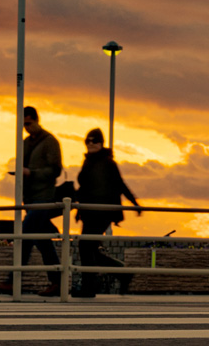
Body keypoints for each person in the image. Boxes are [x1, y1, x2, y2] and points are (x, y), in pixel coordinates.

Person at [73, 128, 140, 298]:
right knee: (90, 248)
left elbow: (120, 184)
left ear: (101, 143)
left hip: (102, 213)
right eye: (88, 141)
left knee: (86, 247)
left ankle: (89, 286)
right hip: (89, 212)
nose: (91, 144)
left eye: (94, 141)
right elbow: (85, 189)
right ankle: (121, 273)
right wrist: (78, 210)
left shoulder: (108, 163)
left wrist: (134, 203)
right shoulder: (88, 162)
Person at [18, 106, 64, 296]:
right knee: (44, 242)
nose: (26, 128)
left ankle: (13, 279)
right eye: (23, 124)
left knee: (25, 235)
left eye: (28, 123)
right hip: (30, 199)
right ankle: (57, 282)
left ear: (37, 120)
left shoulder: (49, 141)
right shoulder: (26, 142)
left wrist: (32, 173)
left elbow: (55, 170)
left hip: (43, 198)